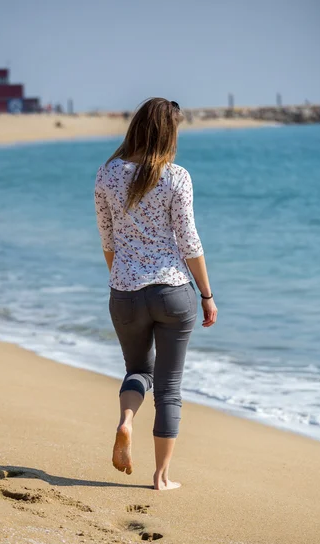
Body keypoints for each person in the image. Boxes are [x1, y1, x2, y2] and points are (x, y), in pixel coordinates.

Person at [94, 98, 217, 491]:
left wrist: (123, 281)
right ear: (169, 132)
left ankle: (126, 421)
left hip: (125, 293)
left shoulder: (107, 174)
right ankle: (161, 478)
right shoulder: (176, 176)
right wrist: (207, 294)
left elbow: (107, 239)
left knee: (138, 371)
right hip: (173, 293)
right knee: (170, 387)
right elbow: (189, 242)